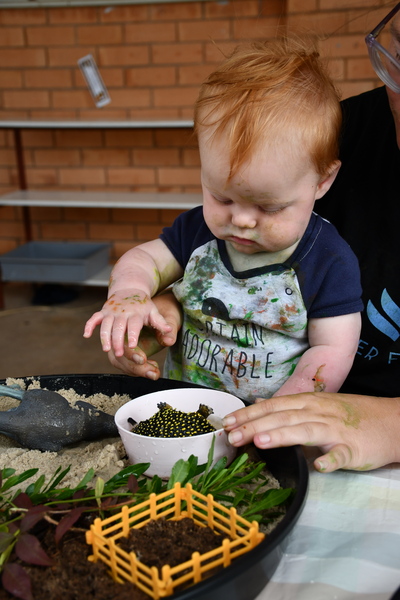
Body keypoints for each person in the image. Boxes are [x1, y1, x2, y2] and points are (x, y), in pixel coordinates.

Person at [84, 37, 363, 404]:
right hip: (180, 406)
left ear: (322, 181)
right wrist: (129, 296)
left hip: (260, 422)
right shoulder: (199, 231)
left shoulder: (328, 260)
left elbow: (331, 352)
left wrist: (284, 412)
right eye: (222, 197)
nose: (242, 220)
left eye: (270, 207)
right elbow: (145, 260)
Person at [221, 2, 400, 472]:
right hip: (291, 421)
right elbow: (223, 245)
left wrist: (392, 423)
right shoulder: (336, 135)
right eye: (398, 56)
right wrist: (170, 295)